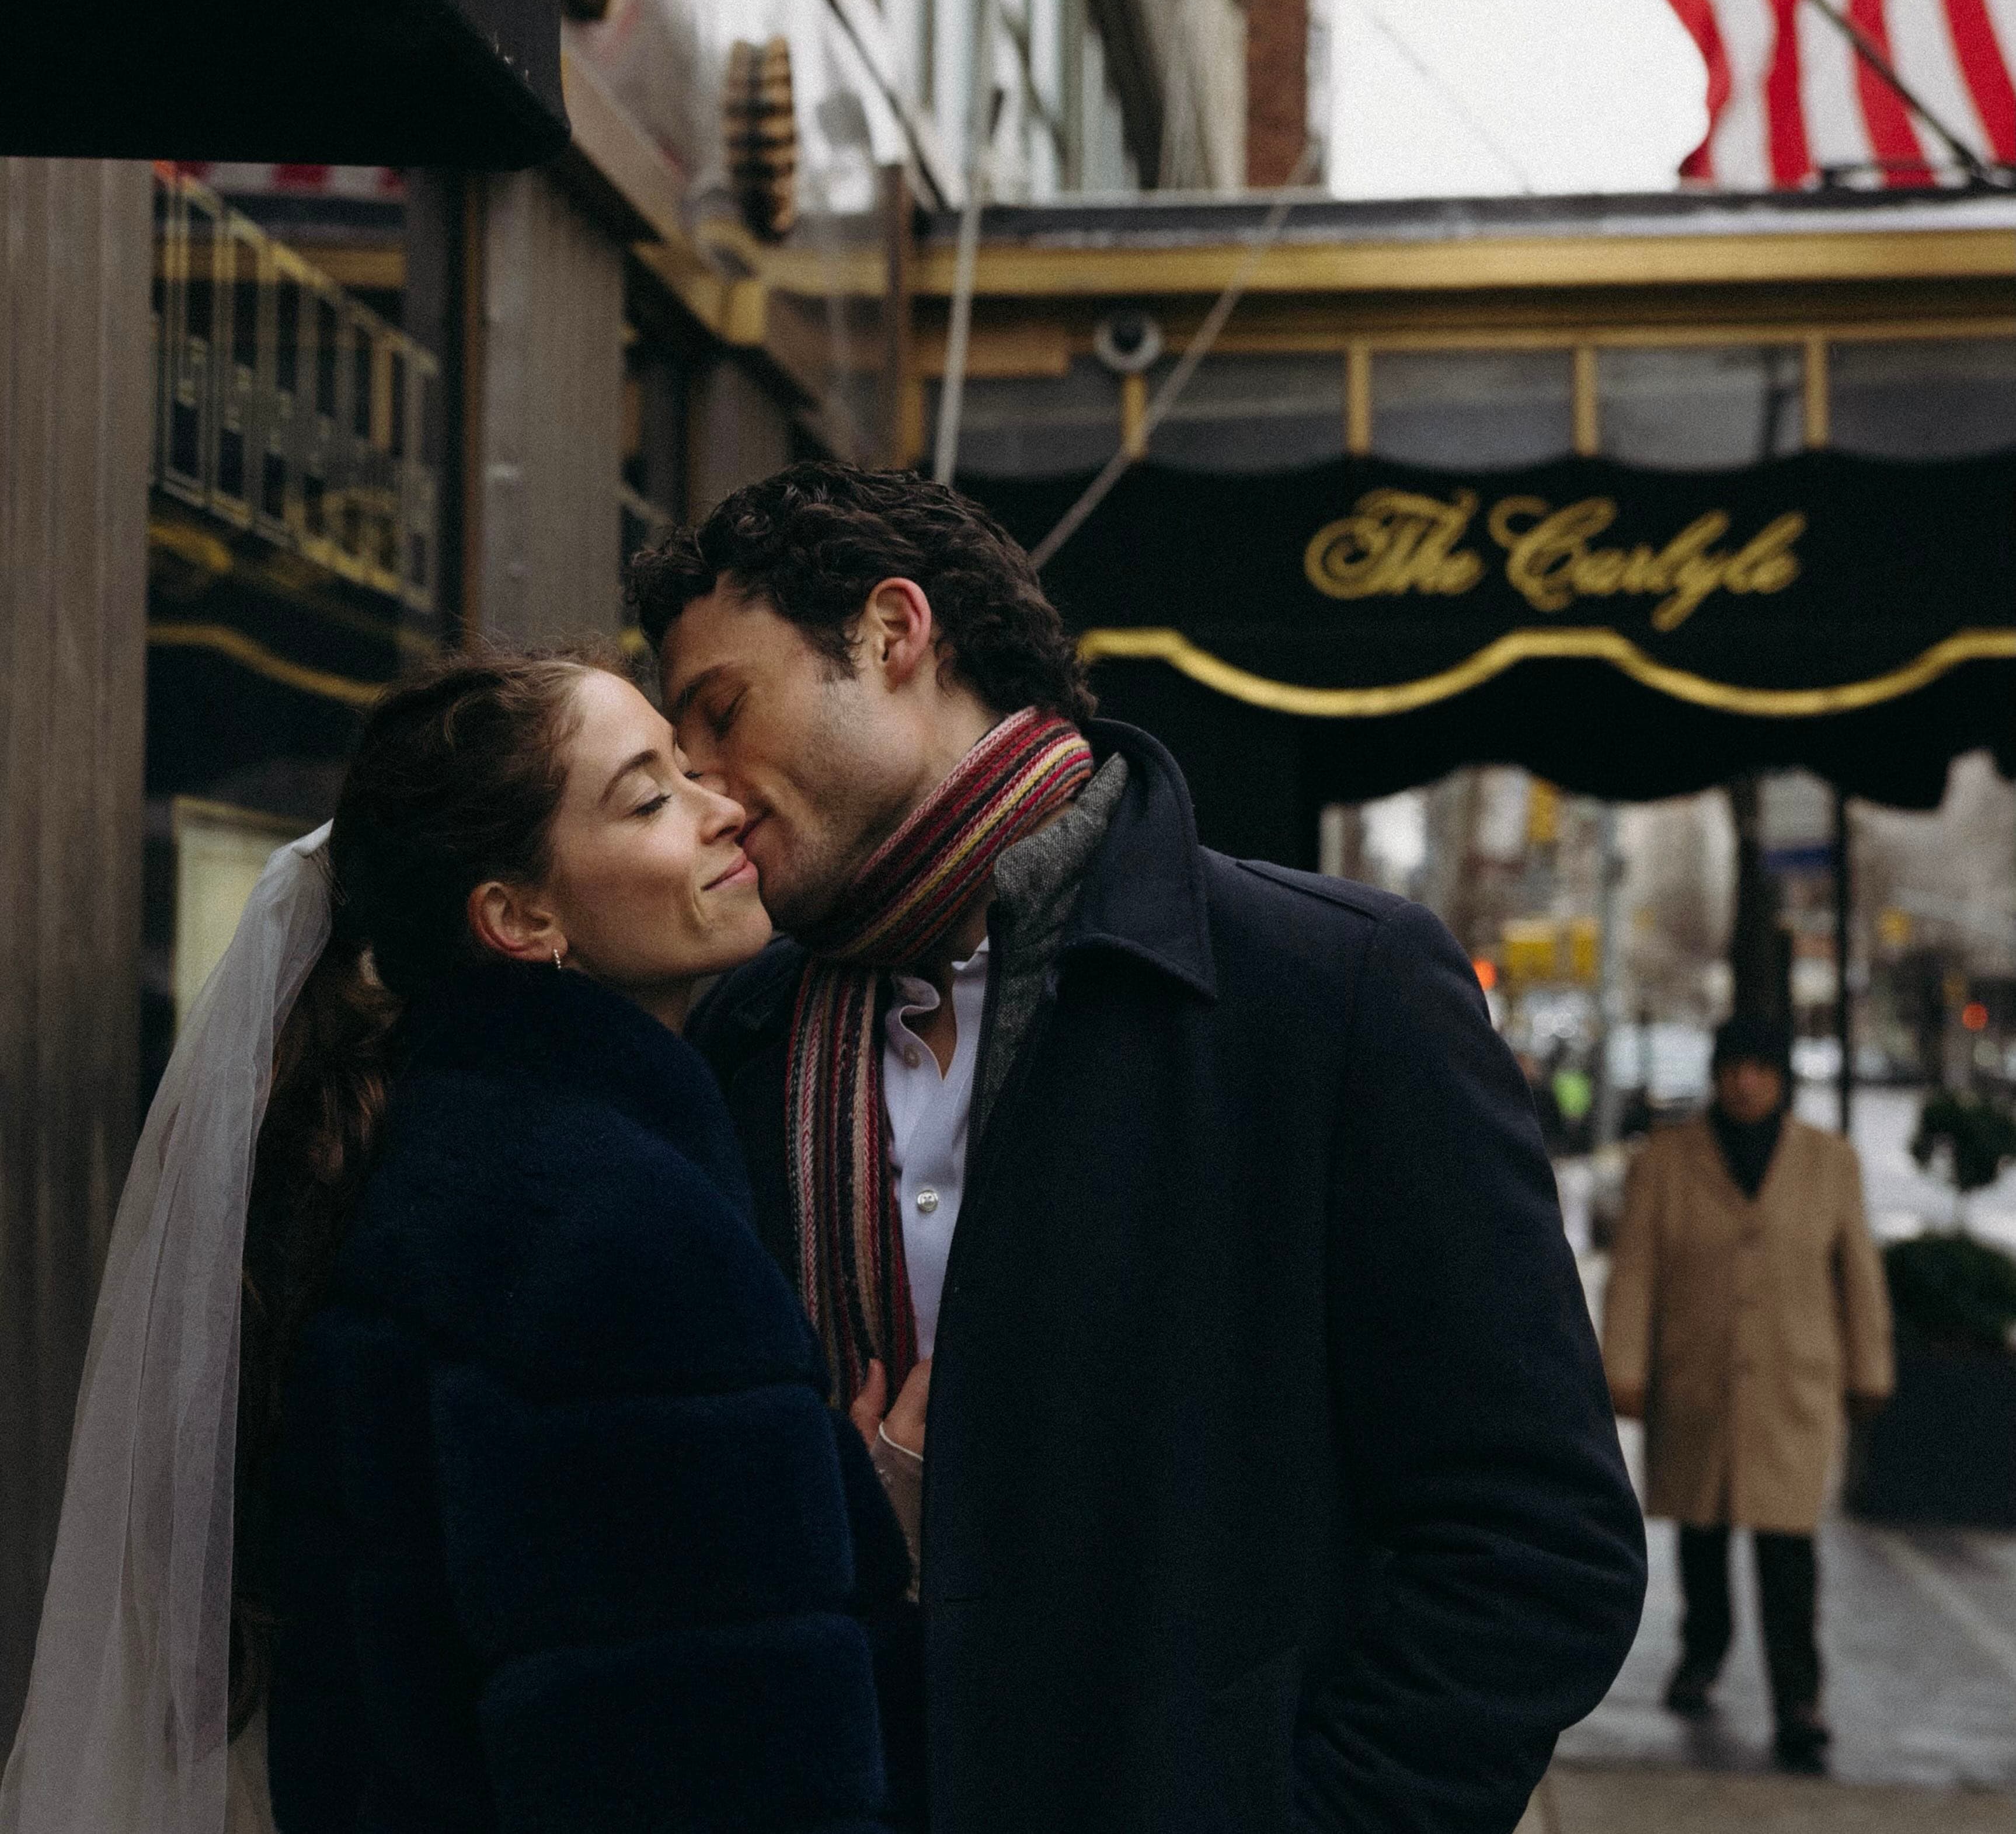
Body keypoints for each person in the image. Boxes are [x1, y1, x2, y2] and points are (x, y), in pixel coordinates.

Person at [631, 462, 1648, 1834]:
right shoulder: (740, 1033)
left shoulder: (1329, 989)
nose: (700, 780)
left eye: (720, 710)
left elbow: (1536, 1539)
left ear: (891, 633)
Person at [1, 650, 921, 1834]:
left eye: (691, 770)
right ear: (519, 917)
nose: (722, 806)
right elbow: (718, 1751)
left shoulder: (418, 1159)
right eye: (650, 797)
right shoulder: (618, 1229)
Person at [1601, 1013, 1893, 1773]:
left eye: (1760, 1069)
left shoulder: (1829, 1162)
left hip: (1791, 1385)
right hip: (1696, 1378)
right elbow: (1634, 1271)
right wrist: (1622, 1367)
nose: (1745, 1082)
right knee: (1701, 1531)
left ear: (1781, 1078)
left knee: (1787, 1548)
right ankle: (1702, 1652)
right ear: (1716, 1074)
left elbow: (1858, 1274)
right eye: (1733, 1068)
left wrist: (1869, 1368)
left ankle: (1798, 1699)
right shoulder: (1665, 1160)